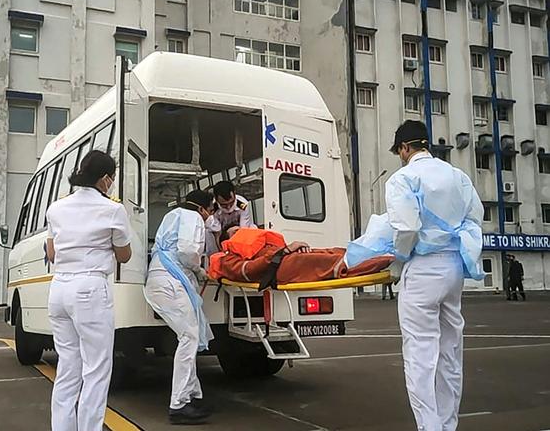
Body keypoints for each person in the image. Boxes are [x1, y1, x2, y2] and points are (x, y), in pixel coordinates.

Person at [347, 120, 484, 431]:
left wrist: (400, 257)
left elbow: (406, 227)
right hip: (453, 267)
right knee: (450, 352)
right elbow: (475, 217)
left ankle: (429, 427)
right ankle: (448, 425)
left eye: (399, 150)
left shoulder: (402, 179)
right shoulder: (458, 176)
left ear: (405, 148)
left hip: (423, 268)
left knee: (420, 353)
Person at [45, 150, 132, 431]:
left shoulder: (56, 208)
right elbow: (124, 255)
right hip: (90, 289)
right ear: (106, 179)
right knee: (96, 370)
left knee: (68, 368)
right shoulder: (112, 209)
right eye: (113, 179)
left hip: (59, 289)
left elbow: (51, 251)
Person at [144, 190, 215, 425]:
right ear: (203, 209)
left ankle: (193, 395)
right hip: (170, 281)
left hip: (160, 278)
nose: (208, 217)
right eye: (209, 211)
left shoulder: (172, 214)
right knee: (189, 337)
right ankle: (179, 404)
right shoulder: (193, 217)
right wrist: (199, 269)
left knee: (188, 337)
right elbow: (187, 251)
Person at [209, 227, 393, 289]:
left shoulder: (255, 245)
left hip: (286, 259)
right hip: (280, 267)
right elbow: (248, 272)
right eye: (235, 232)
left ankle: (382, 254)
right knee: (331, 263)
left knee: (333, 251)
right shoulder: (226, 258)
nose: (241, 232)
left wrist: (286, 250)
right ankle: (386, 262)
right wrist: (284, 251)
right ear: (228, 240)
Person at [205, 181, 256, 255]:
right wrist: (223, 252)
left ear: (234, 194)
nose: (229, 207)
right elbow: (217, 233)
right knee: (208, 233)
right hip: (222, 233)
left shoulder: (242, 204)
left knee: (253, 228)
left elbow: (244, 229)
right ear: (216, 199)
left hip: (238, 230)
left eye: (231, 203)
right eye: (224, 205)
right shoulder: (213, 208)